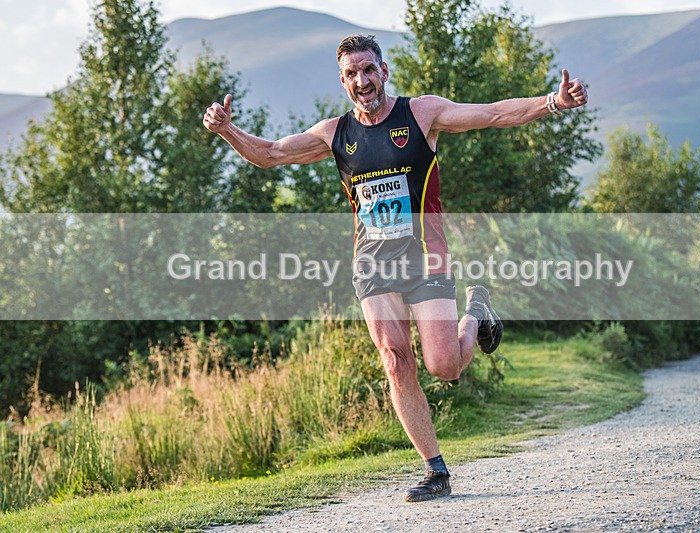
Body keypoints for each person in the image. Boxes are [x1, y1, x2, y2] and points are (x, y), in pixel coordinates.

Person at [203, 34, 588, 502]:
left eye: (368, 69)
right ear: (342, 81)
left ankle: (477, 310)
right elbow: (271, 154)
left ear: (383, 71)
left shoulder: (421, 114)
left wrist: (553, 101)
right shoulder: (335, 133)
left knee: (444, 366)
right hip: (372, 264)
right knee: (394, 359)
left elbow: (492, 113)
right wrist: (227, 130)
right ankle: (435, 470)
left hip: (427, 255)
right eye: (351, 74)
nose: (362, 81)